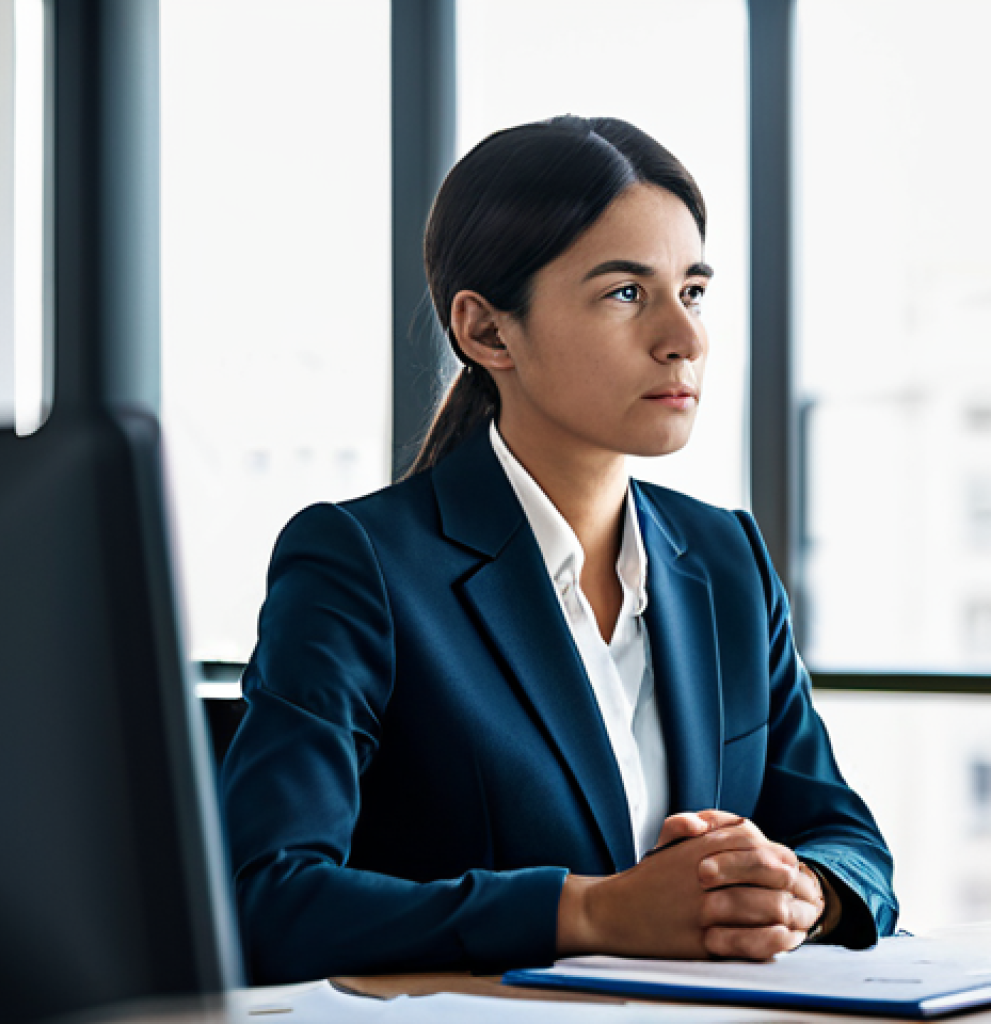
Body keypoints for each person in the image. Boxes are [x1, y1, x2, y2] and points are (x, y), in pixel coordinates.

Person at [222, 115, 898, 985]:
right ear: (488, 332)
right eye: (626, 293)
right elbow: (267, 900)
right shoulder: (360, 564)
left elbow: (849, 841)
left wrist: (804, 889)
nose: (683, 339)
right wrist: (590, 911)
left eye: (692, 291)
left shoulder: (724, 557)